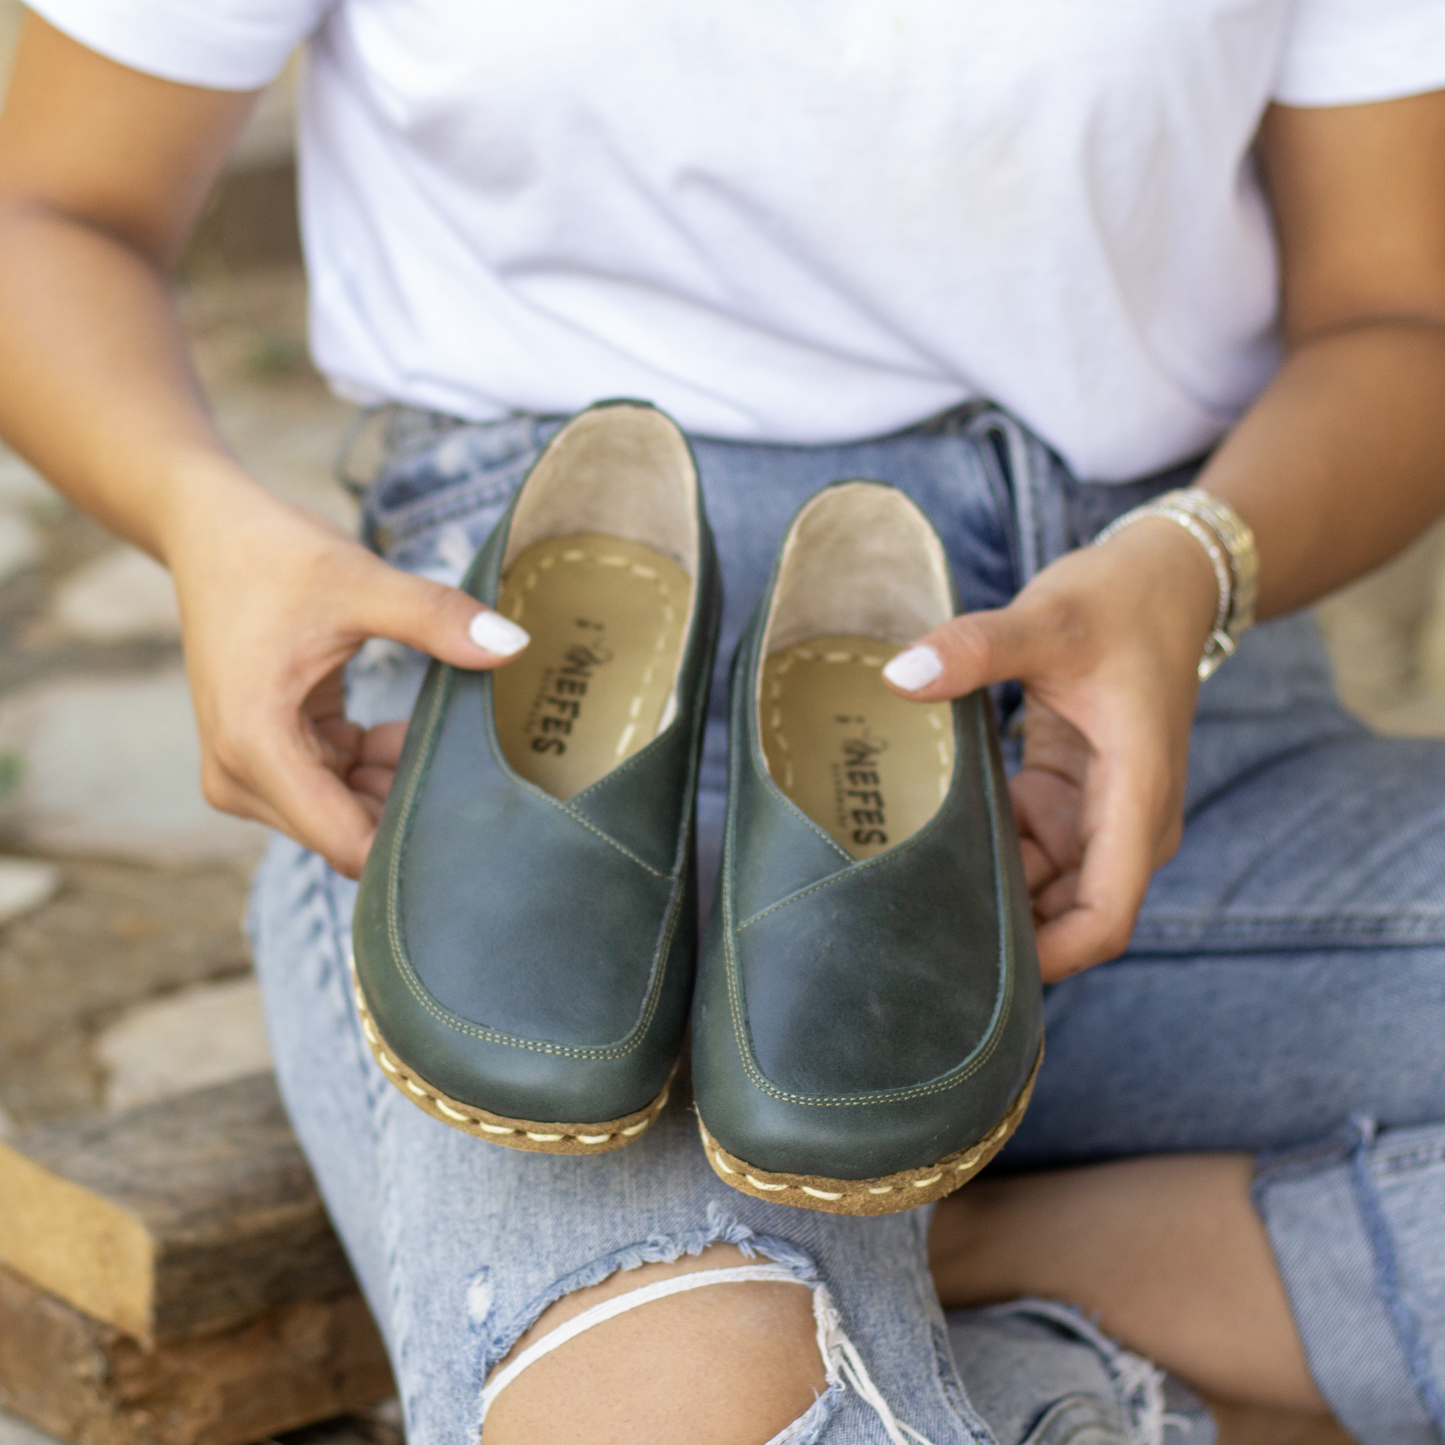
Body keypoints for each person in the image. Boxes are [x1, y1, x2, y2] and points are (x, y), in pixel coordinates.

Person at [0, 4, 1443, 1441]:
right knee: (686, 1408)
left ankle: (994, 1272)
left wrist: (1193, 566)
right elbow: (48, 208)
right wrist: (208, 526)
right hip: (568, 724)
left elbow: (1403, 311)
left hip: (1149, 712)